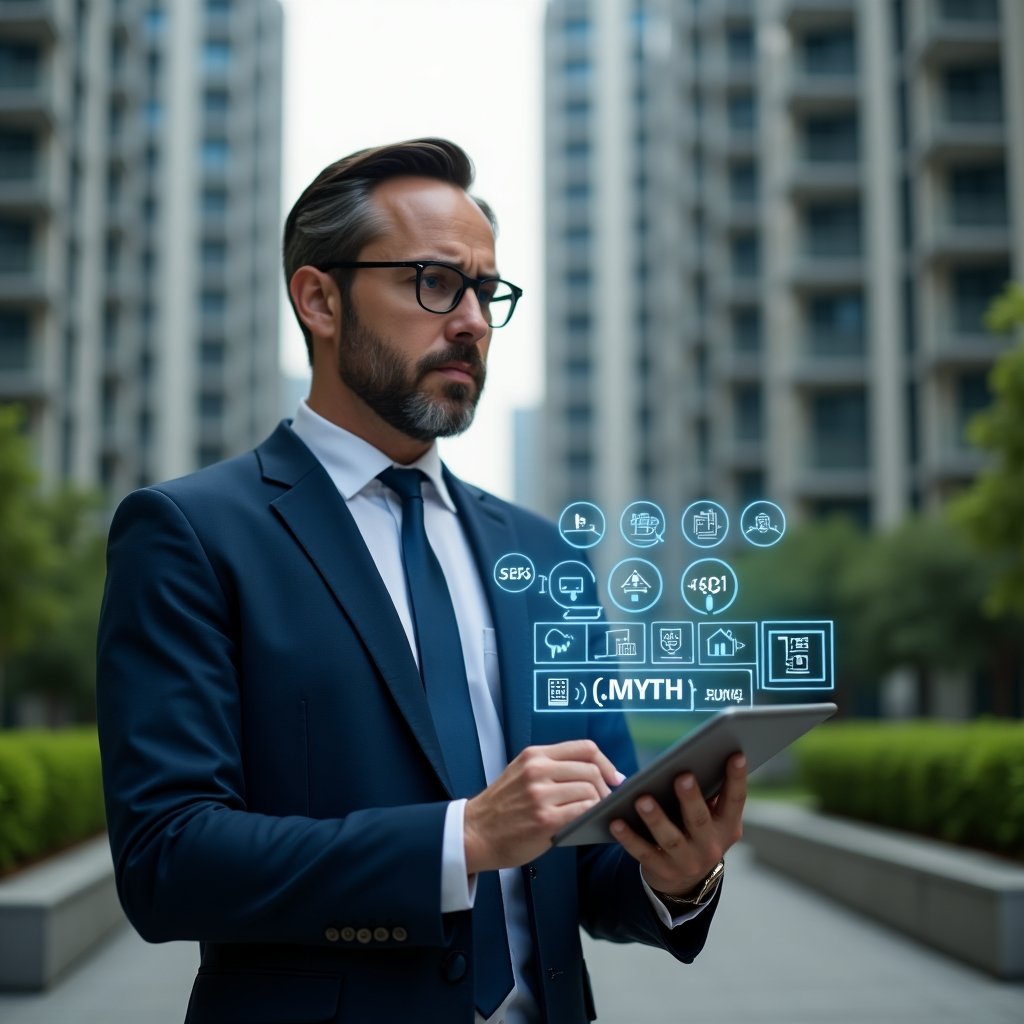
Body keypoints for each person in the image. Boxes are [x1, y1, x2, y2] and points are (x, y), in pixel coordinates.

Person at [96, 138, 747, 1024]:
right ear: (319, 299)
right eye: (435, 283)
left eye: (487, 290)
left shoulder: (546, 558)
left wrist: (675, 871)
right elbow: (167, 861)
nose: (474, 320)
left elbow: (591, 867)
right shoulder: (192, 533)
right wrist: (462, 838)